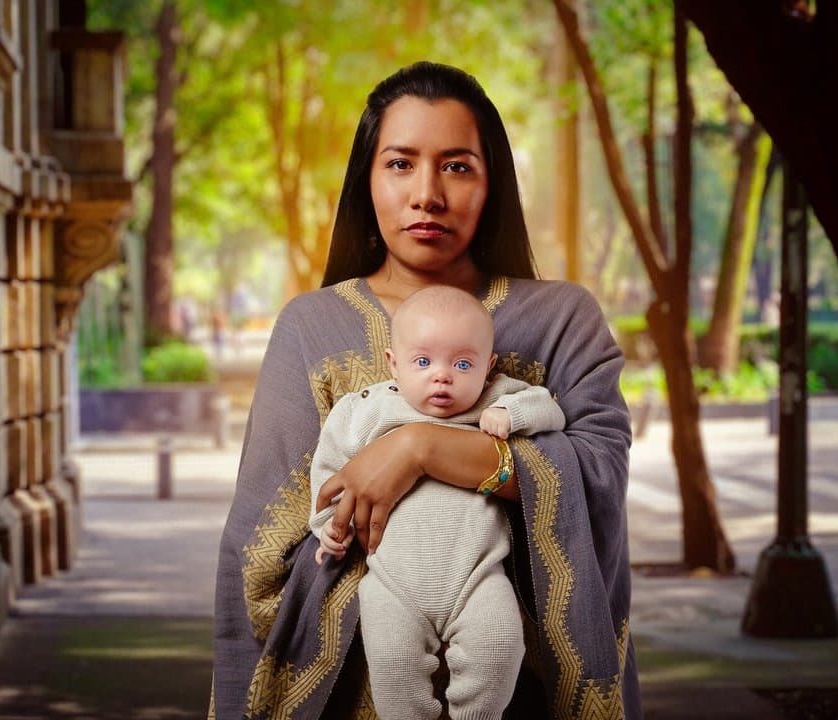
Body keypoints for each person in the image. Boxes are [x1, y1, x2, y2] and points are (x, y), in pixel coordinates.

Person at [210, 61, 641, 719]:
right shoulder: (312, 326)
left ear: (493, 182)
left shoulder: (561, 319)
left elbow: (600, 477)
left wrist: (418, 448)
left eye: (458, 166)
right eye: (401, 163)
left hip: (522, 691)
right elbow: (260, 550)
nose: (428, 195)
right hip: (355, 688)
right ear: (367, 180)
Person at [308, 286, 566, 718]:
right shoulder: (366, 411)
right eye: (423, 362)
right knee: (392, 665)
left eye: (462, 364)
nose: (442, 376)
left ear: (489, 367)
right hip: (392, 584)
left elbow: (550, 410)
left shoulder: (493, 398)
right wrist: (330, 528)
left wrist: (511, 416)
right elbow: (330, 473)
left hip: (479, 576)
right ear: (393, 363)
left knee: (501, 646)